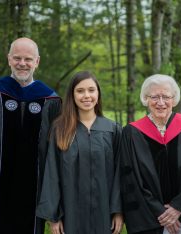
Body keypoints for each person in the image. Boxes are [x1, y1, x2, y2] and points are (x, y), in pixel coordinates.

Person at [0, 37, 61, 234]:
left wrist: (52, 205)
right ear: (9, 59)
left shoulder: (50, 101)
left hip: (32, 200)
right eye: (17, 58)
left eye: (28, 59)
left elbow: (57, 156)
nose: (22, 63)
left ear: (37, 62)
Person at [120, 74, 181, 234]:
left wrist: (179, 207)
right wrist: (161, 213)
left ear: (174, 99)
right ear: (146, 99)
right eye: (154, 96)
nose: (160, 102)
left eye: (166, 96)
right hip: (150, 221)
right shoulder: (131, 133)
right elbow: (132, 179)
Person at [36, 71, 123, 234]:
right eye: (80, 90)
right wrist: (54, 216)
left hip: (104, 213)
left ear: (98, 93)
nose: (86, 95)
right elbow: (51, 172)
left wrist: (118, 210)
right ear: (72, 95)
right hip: (70, 214)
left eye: (91, 90)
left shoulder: (113, 130)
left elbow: (121, 173)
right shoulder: (60, 129)